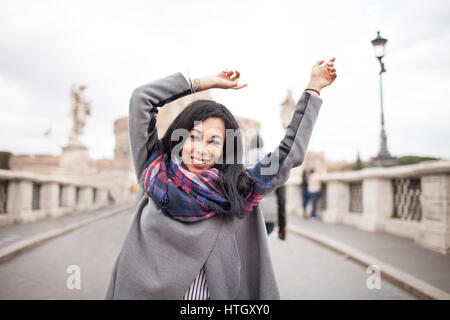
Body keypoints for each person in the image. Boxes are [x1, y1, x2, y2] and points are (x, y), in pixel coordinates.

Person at [105, 58, 337, 300]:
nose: (201, 149)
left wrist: (313, 88)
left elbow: (289, 153)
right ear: (180, 138)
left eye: (213, 141)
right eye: (194, 137)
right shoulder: (153, 170)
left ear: (226, 148)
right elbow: (142, 99)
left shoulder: (238, 188)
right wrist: (203, 84)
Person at [246, 134, 286, 240]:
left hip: (247, 212)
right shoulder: (272, 161)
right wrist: (282, 224)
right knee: (264, 245)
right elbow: (281, 197)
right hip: (269, 213)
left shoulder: (242, 160)